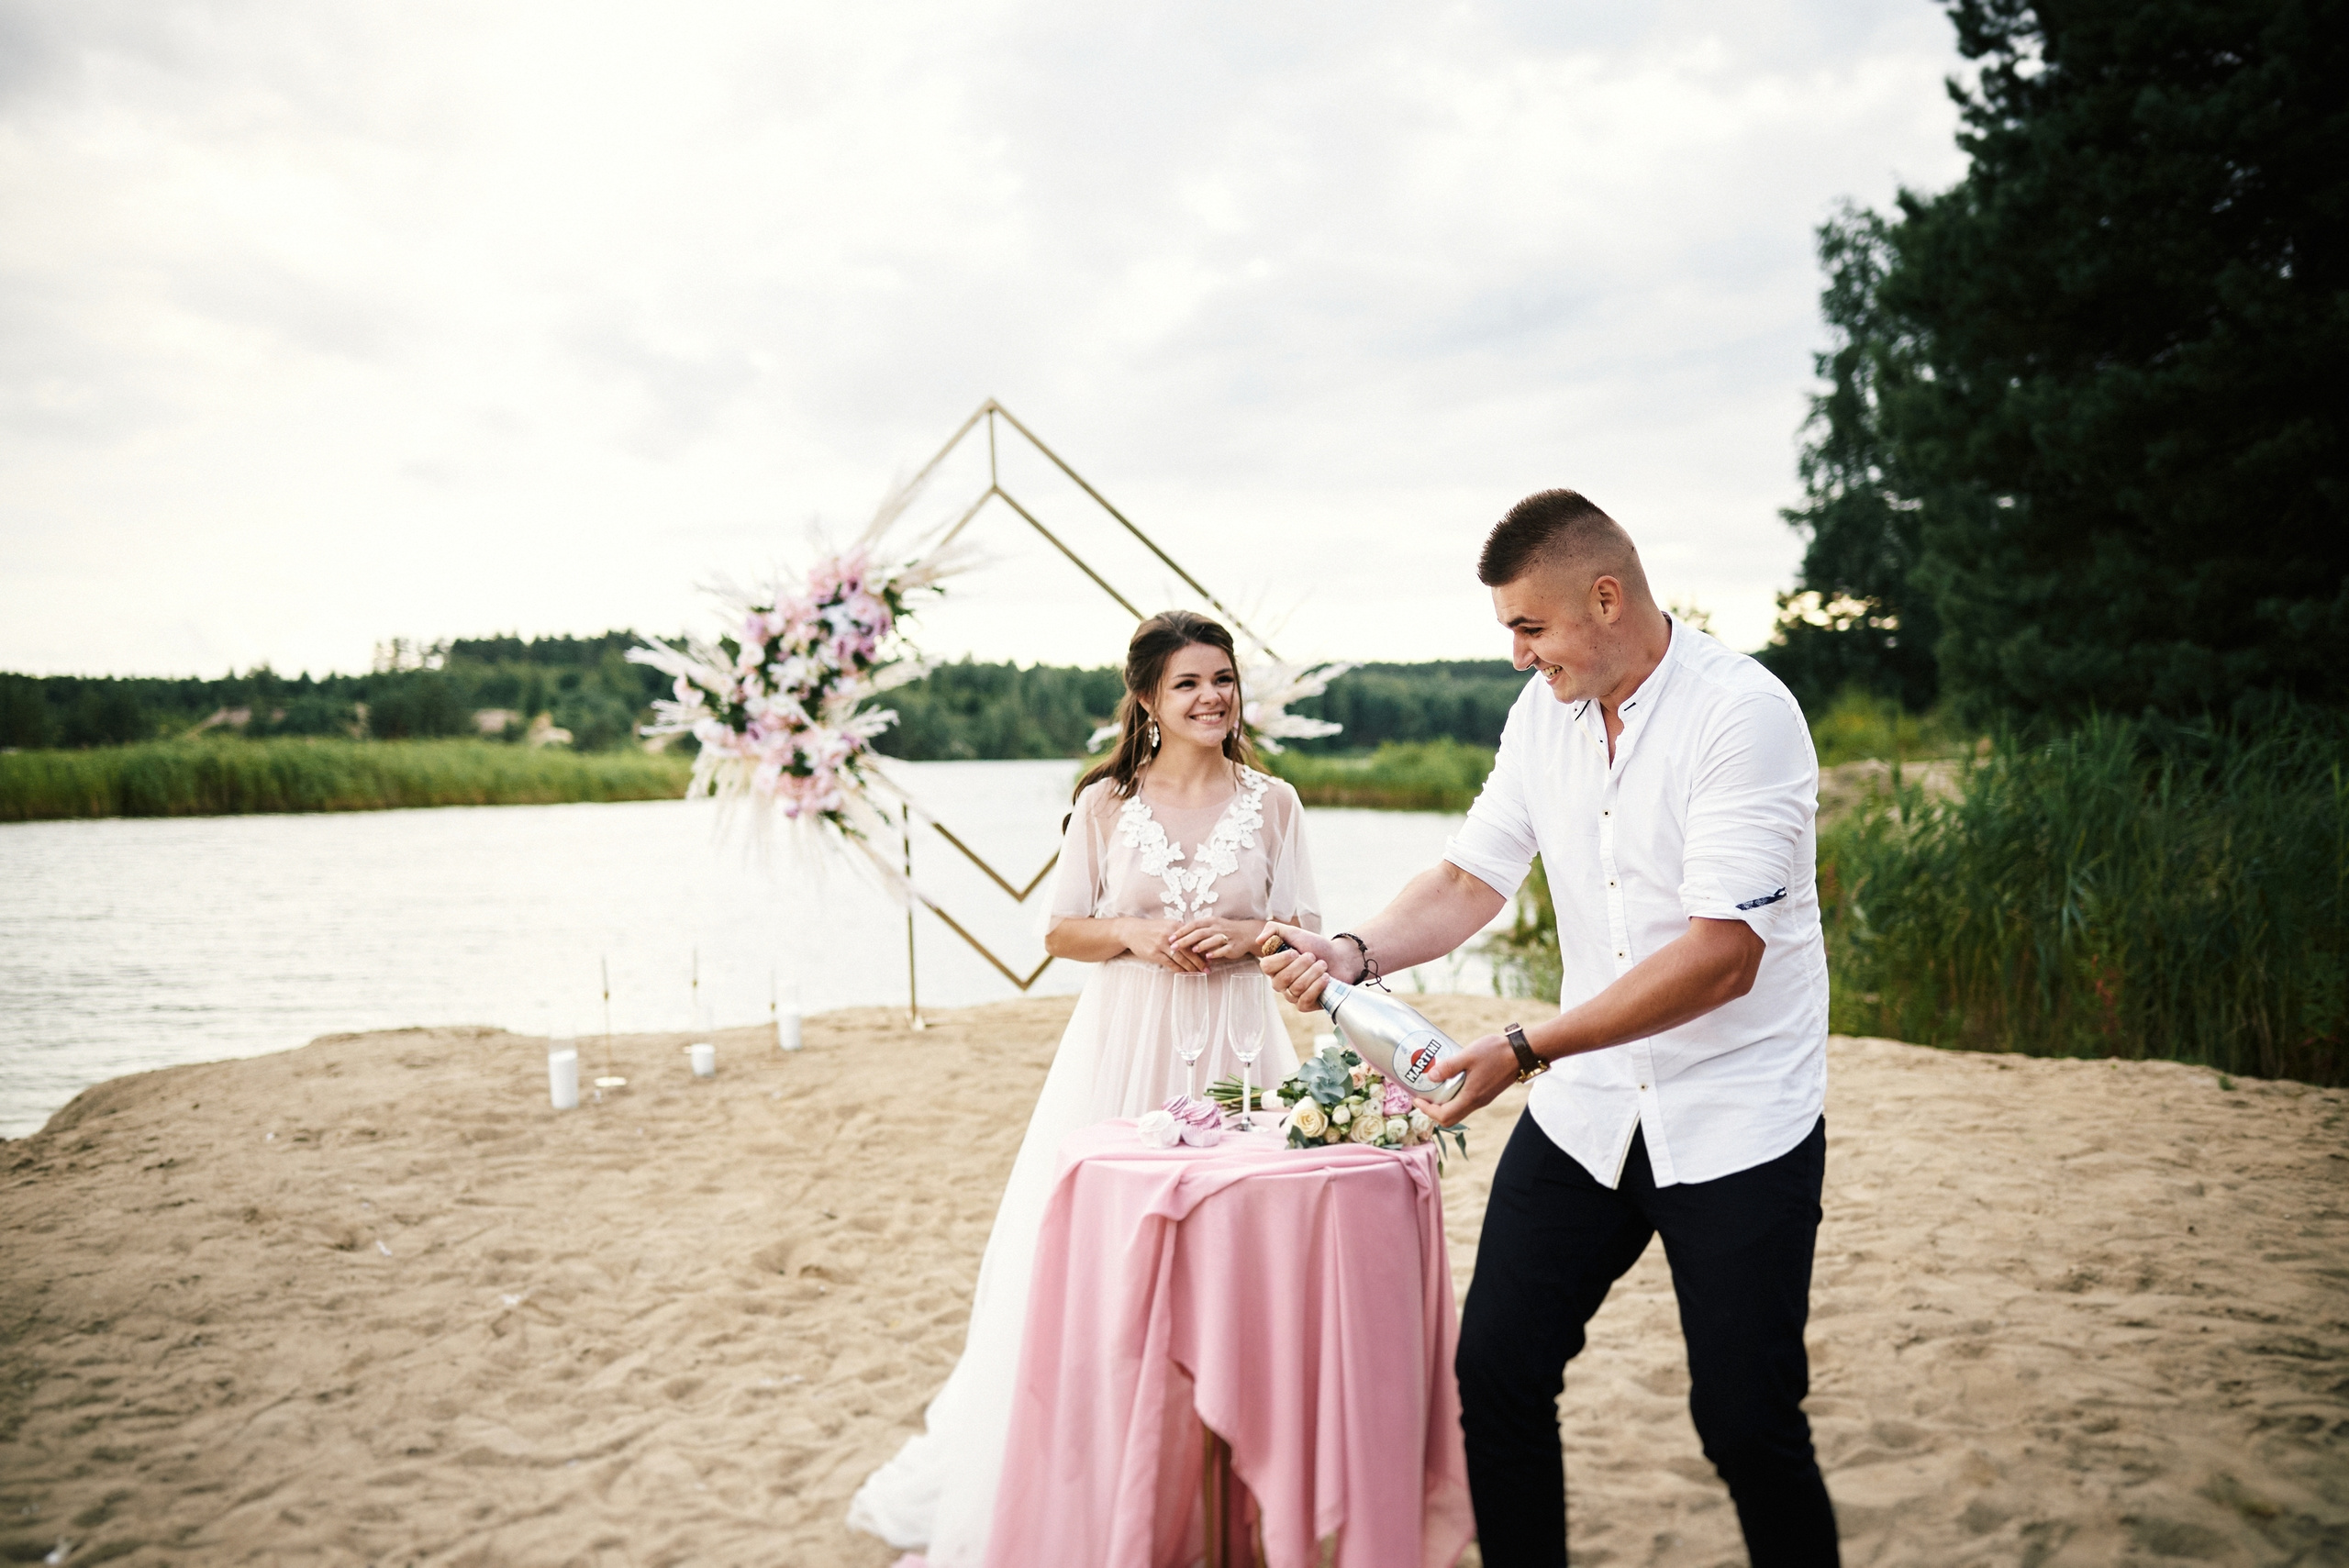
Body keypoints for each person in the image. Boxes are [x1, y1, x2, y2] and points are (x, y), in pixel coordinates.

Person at [1260, 490, 1840, 1566]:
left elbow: (1723, 955)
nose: (1519, 655)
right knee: (1498, 1370)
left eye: (1530, 627)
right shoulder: (1542, 716)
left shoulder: (1741, 713)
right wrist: (1354, 952)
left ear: (1605, 597)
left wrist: (1522, 1048)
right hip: (1585, 1116)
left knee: (1746, 1420)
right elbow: (1472, 874)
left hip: (1736, 1114)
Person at [848, 608, 1319, 1565]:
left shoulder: (1276, 802)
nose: (1211, 696)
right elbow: (1060, 930)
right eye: (1188, 682)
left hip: (1237, 1045)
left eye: (1222, 678)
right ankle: (1113, 1466)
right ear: (1146, 698)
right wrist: (1138, 935)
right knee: (1110, 1259)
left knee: (1237, 1254)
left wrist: (1247, 937)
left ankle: (1232, 1470)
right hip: (1126, 1043)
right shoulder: (1105, 803)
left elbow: (1307, 929)